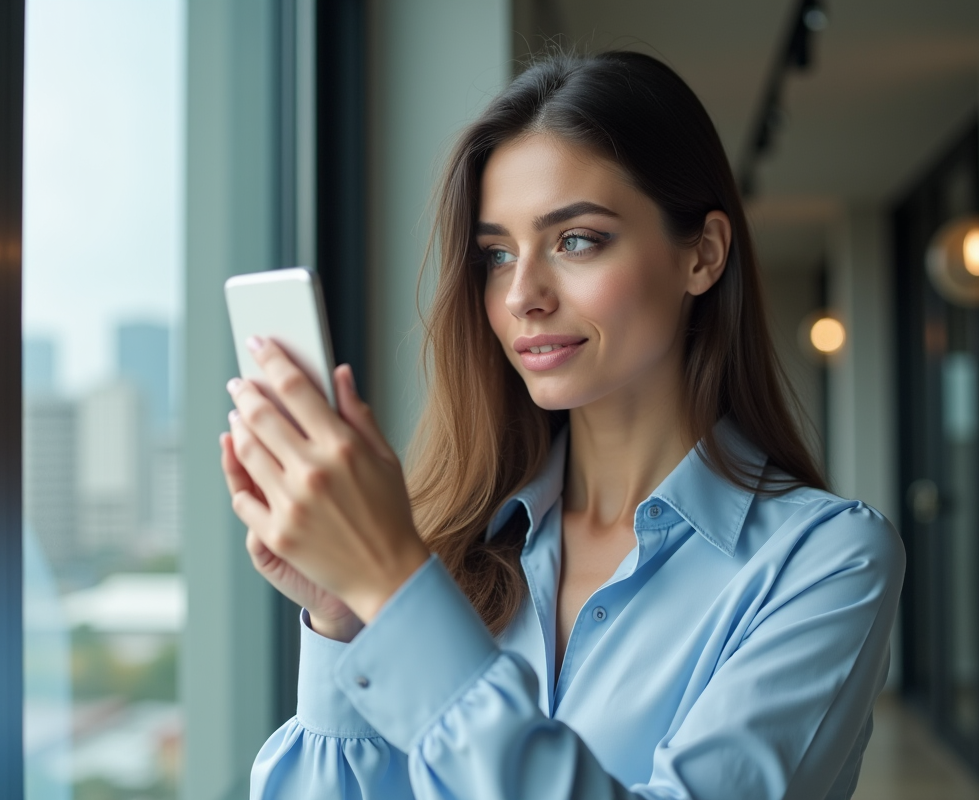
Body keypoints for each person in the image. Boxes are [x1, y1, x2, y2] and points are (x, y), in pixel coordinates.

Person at [220, 51, 905, 800]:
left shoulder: (826, 561)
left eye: (577, 240)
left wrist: (394, 589)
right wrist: (343, 618)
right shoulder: (453, 551)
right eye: (495, 255)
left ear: (702, 255)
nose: (522, 296)